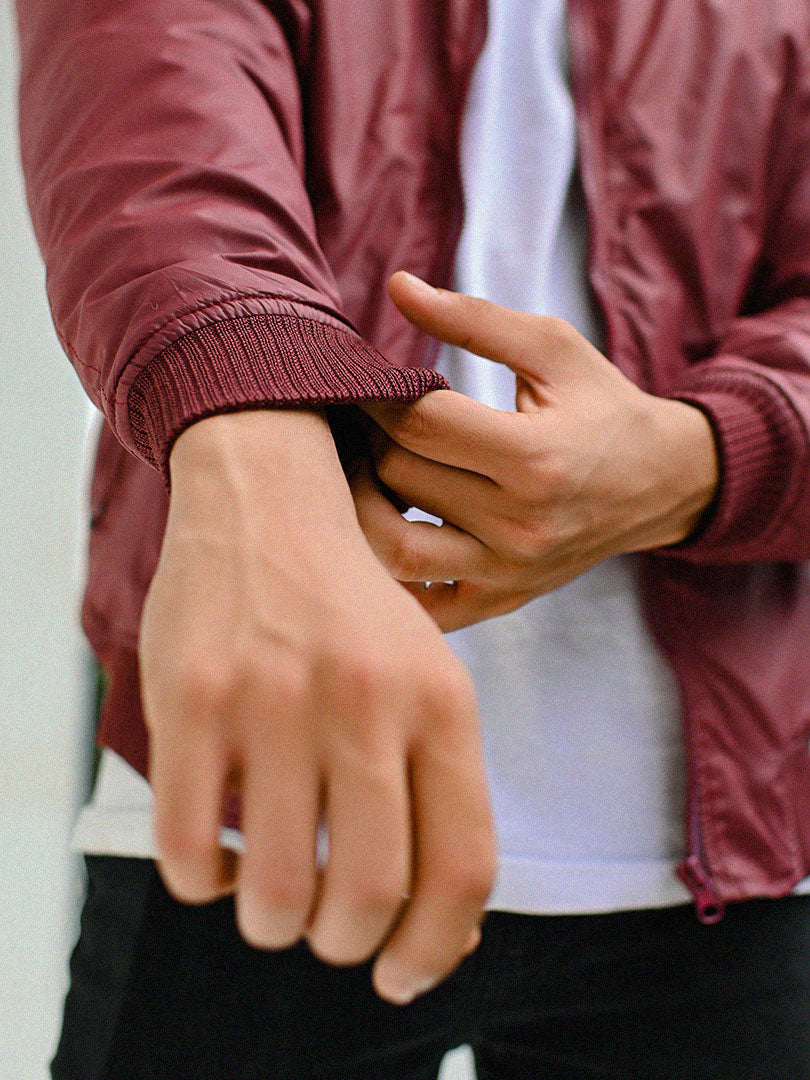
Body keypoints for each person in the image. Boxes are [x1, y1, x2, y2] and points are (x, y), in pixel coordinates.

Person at [14, 0, 810, 1076]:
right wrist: (250, 429)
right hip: (268, 778)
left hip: (735, 835)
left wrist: (707, 455)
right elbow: (156, 106)